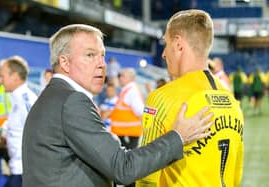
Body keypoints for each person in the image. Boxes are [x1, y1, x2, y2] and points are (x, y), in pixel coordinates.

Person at [22, 24, 213, 187]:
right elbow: (123, 167)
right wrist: (178, 137)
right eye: (90, 55)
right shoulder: (71, 101)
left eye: (102, 56)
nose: (102, 64)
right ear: (64, 62)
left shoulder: (54, 96)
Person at [136, 9, 244, 187]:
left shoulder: (162, 98)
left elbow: (147, 177)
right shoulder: (231, 99)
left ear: (178, 44)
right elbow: (236, 174)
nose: (163, 54)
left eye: (166, 43)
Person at [0, 56, 38, 187]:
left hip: (24, 173)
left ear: (14, 76)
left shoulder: (26, 101)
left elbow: (37, 135)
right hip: (16, 170)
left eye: (2, 76)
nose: (0, 81)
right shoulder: (16, 100)